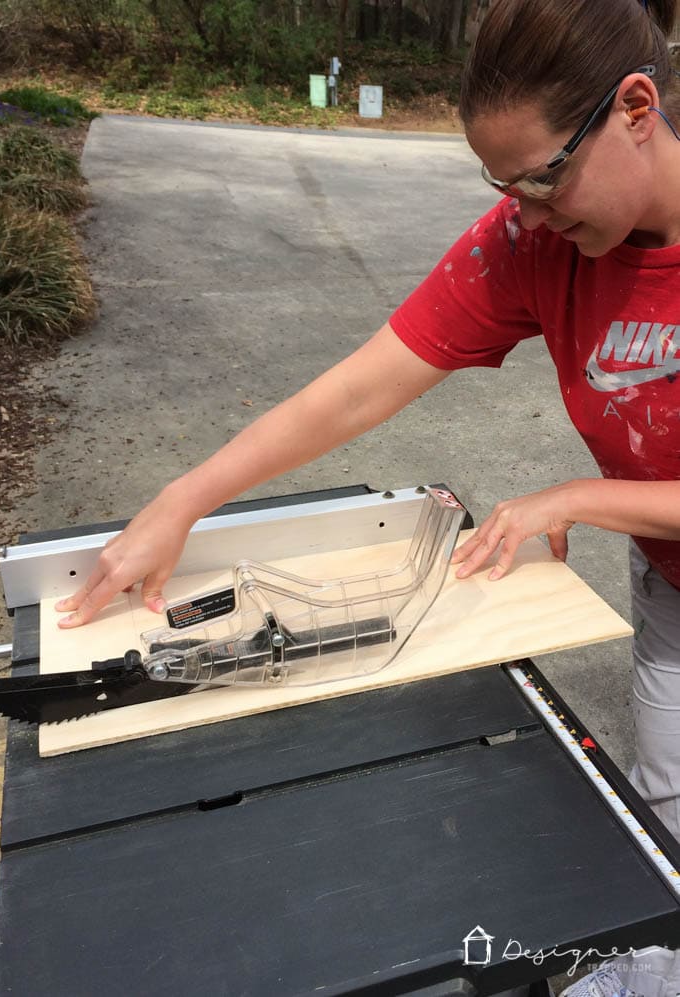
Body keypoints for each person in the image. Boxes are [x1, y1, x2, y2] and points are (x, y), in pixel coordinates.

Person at [57, 0, 680, 991]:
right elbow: (362, 381)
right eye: (500, 185)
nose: (523, 211)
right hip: (672, 586)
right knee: (660, 823)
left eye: (539, 177)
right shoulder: (536, 243)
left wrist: (580, 494)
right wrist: (186, 498)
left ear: (635, 108)